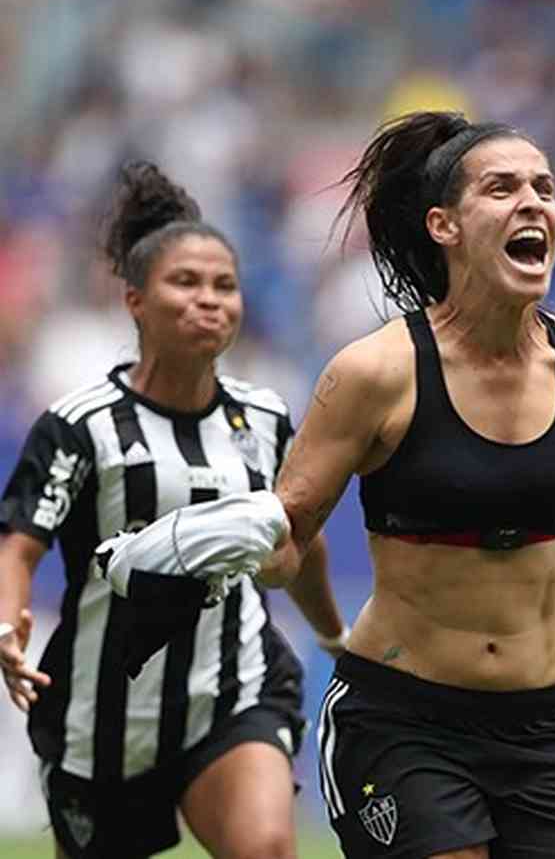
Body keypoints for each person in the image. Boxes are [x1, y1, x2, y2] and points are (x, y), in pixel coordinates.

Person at [103, 112, 555, 858]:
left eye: (544, 187)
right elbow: (289, 536)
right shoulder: (374, 375)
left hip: (547, 726)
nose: (532, 202)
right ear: (443, 225)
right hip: (402, 724)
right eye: (502, 188)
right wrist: (234, 545)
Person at [0, 161, 347, 859]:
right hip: (104, 716)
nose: (209, 301)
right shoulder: (82, 425)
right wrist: (7, 625)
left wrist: (338, 640)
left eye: (224, 285)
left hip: (233, 691)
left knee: (267, 848)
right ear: (135, 301)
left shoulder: (268, 416)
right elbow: (19, 545)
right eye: (185, 283)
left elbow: (300, 541)